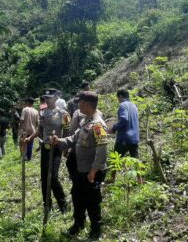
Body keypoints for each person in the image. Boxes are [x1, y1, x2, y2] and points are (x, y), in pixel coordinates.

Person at [52, 91, 108, 239]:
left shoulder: (97, 125)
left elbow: (102, 151)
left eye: (80, 103)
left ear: (86, 105)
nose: (77, 105)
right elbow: (74, 138)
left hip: (91, 171)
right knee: (77, 197)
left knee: (92, 200)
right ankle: (78, 224)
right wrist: (60, 141)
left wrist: (94, 170)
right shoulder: (85, 121)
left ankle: (96, 230)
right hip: (81, 169)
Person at [25, 88, 69, 213]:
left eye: (50, 98)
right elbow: (39, 131)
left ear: (56, 98)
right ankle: (47, 205)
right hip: (45, 148)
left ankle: (63, 205)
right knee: (44, 177)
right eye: (46, 98)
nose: (47, 100)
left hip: (56, 148)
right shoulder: (42, 113)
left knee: (53, 177)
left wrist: (65, 148)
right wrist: (29, 138)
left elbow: (66, 133)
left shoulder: (63, 114)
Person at [108, 89, 140, 183]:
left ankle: (112, 179)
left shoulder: (123, 105)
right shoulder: (134, 106)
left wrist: (114, 128)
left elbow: (124, 119)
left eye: (118, 98)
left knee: (115, 159)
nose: (118, 100)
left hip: (124, 138)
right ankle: (139, 181)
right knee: (135, 160)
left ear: (120, 96)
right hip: (135, 138)